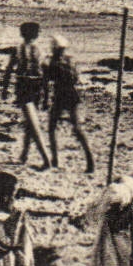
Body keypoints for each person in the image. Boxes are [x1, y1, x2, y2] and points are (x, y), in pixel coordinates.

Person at [4, 21, 53, 169]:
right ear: (37, 35)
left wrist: (4, 89)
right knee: (31, 122)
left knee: (33, 124)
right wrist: (46, 96)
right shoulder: (41, 51)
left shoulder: (18, 49)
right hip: (37, 88)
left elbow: (8, 70)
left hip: (24, 87)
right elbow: (46, 75)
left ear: (21, 33)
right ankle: (25, 154)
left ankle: (46, 160)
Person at [46, 35, 94, 173]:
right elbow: (76, 78)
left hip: (60, 96)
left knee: (52, 127)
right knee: (77, 129)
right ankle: (90, 159)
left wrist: (44, 99)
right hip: (72, 95)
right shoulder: (70, 61)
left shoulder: (53, 63)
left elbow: (47, 81)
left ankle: (55, 159)